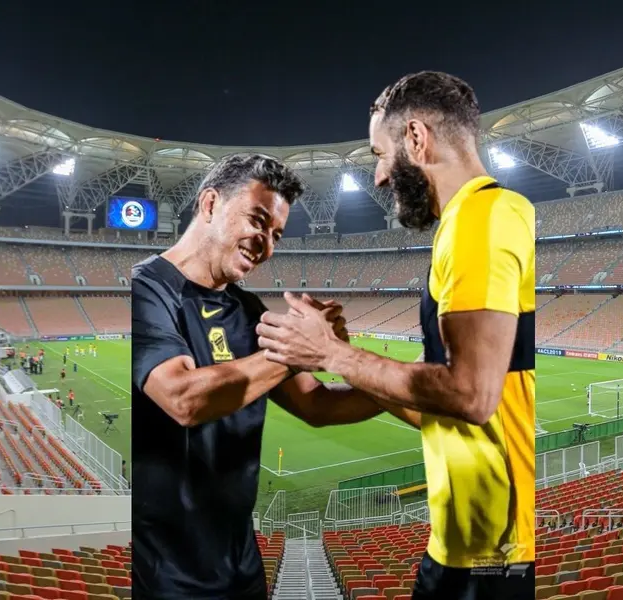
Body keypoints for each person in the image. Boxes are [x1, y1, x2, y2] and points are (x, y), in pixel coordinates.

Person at [257, 71, 535, 599]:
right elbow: (454, 410)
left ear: (416, 138)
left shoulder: (480, 219)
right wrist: (339, 365)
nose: (380, 177)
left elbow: (470, 396)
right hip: (468, 547)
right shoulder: (473, 220)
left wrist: (332, 352)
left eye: (379, 154)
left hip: (490, 557)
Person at [132, 153, 417, 600]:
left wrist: (380, 373)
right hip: (170, 574)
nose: (264, 243)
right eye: (257, 220)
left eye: (276, 234)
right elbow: (182, 398)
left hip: (244, 565)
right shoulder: (147, 288)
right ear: (210, 204)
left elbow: (317, 405)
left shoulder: (247, 311)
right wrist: (300, 351)